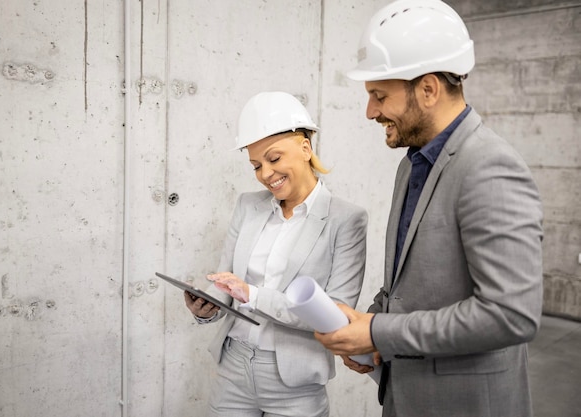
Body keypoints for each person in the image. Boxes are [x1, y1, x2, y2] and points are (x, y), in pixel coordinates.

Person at [314, 1, 544, 416]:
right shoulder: (413, 164)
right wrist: (365, 328)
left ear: (429, 89)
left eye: (379, 95)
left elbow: (511, 315)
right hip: (406, 396)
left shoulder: (490, 167)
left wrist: (380, 333)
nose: (370, 112)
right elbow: (408, 287)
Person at [185, 91, 368, 417]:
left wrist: (252, 294)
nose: (265, 173)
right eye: (256, 165)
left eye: (274, 158)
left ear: (305, 148)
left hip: (295, 382)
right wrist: (207, 306)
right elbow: (226, 282)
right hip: (233, 367)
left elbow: (335, 315)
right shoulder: (248, 206)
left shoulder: (346, 219)